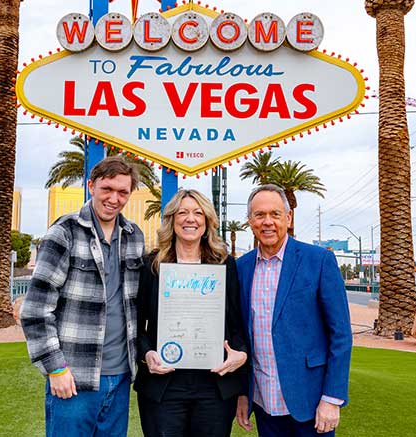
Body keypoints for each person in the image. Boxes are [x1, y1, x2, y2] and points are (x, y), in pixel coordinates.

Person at [20, 156, 146, 437]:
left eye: (123, 192)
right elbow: (35, 311)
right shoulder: (63, 233)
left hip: (121, 375)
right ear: (91, 185)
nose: (114, 199)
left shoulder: (134, 236)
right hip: (74, 376)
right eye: (107, 189)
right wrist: (56, 369)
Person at [235, 184, 352, 436]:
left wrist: (332, 398)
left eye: (275, 214)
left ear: (288, 218)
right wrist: (243, 394)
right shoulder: (241, 268)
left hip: (311, 404)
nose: (267, 222)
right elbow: (243, 336)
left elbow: (340, 335)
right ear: (250, 221)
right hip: (264, 403)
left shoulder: (319, 261)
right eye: (259, 215)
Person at [135, 189, 249, 437]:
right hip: (163, 387)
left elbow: (237, 324)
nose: (190, 219)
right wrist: (147, 355)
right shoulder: (151, 265)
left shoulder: (224, 264)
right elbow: (135, 324)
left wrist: (240, 354)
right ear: (172, 219)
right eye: (183, 212)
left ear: (207, 221)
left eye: (198, 213)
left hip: (214, 388)